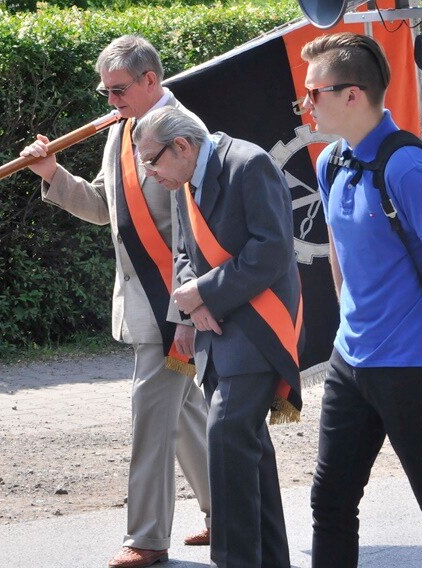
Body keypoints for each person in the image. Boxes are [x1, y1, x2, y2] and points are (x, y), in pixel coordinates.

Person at [19, 35, 211, 568]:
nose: (110, 100)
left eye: (119, 89)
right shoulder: (120, 132)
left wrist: (185, 315)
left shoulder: (183, 133)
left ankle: (147, 538)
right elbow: (105, 207)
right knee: (183, 414)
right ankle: (228, 508)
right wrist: (52, 174)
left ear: (151, 80)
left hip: (173, 308)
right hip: (140, 302)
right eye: (105, 91)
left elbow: (193, 235)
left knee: (151, 417)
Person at [301, 32, 422, 567]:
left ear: (352, 95)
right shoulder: (330, 162)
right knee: (330, 503)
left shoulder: (407, 166)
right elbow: (340, 253)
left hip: (410, 368)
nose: (305, 103)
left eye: (313, 92)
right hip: (351, 362)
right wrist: (348, 326)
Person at [132, 106, 301, 568]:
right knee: (249, 452)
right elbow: (184, 252)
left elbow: (271, 251)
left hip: (257, 329)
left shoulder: (248, 164)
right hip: (213, 333)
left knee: (226, 440)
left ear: (182, 146)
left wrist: (204, 294)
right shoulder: (181, 177)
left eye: (151, 160)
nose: (148, 172)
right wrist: (187, 315)